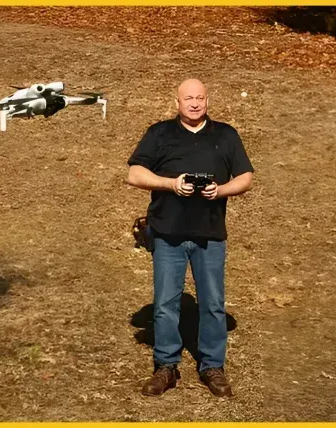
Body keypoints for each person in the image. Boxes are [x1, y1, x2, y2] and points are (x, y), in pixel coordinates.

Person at [126, 78, 254, 397]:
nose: (195, 103)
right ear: (177, 102)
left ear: (207, 101)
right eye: (188, 98)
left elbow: (246, 177)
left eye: (200, 98)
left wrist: (220, 190)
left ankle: (212, 366)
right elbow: (134, 174)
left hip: (210, 235)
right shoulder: (159, 133)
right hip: (168, 234)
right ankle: (166, 366)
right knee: (165, 304)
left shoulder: (225, 135)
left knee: (213, 304)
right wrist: (171, 184)